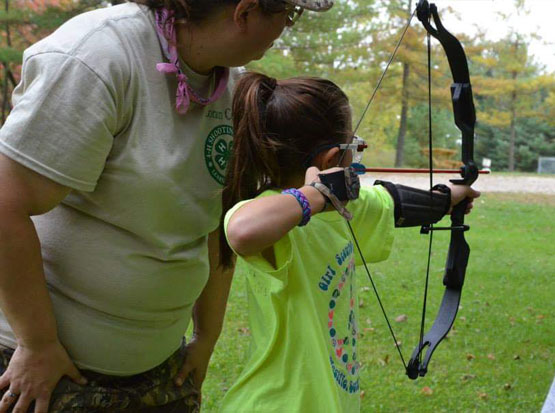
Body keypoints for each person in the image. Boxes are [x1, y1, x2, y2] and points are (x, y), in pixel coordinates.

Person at [0, 0, 334, 412]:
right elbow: (5, 204)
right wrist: (37, 342)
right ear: (244, 12)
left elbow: (214, 223)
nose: (287, 26)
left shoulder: (231, 89)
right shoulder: (99, 56)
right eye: (288, 13)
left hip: (162, 371)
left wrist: (206, 340)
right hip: (54, 371)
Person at [218, 72, 481, 412]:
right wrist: (314, 195)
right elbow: (242, 231)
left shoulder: (343, 209)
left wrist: (448, 197)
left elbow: (396, 203)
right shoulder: (268, 214)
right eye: (354, 147)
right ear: (330, 159)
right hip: (278, 402)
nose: (357, 155)